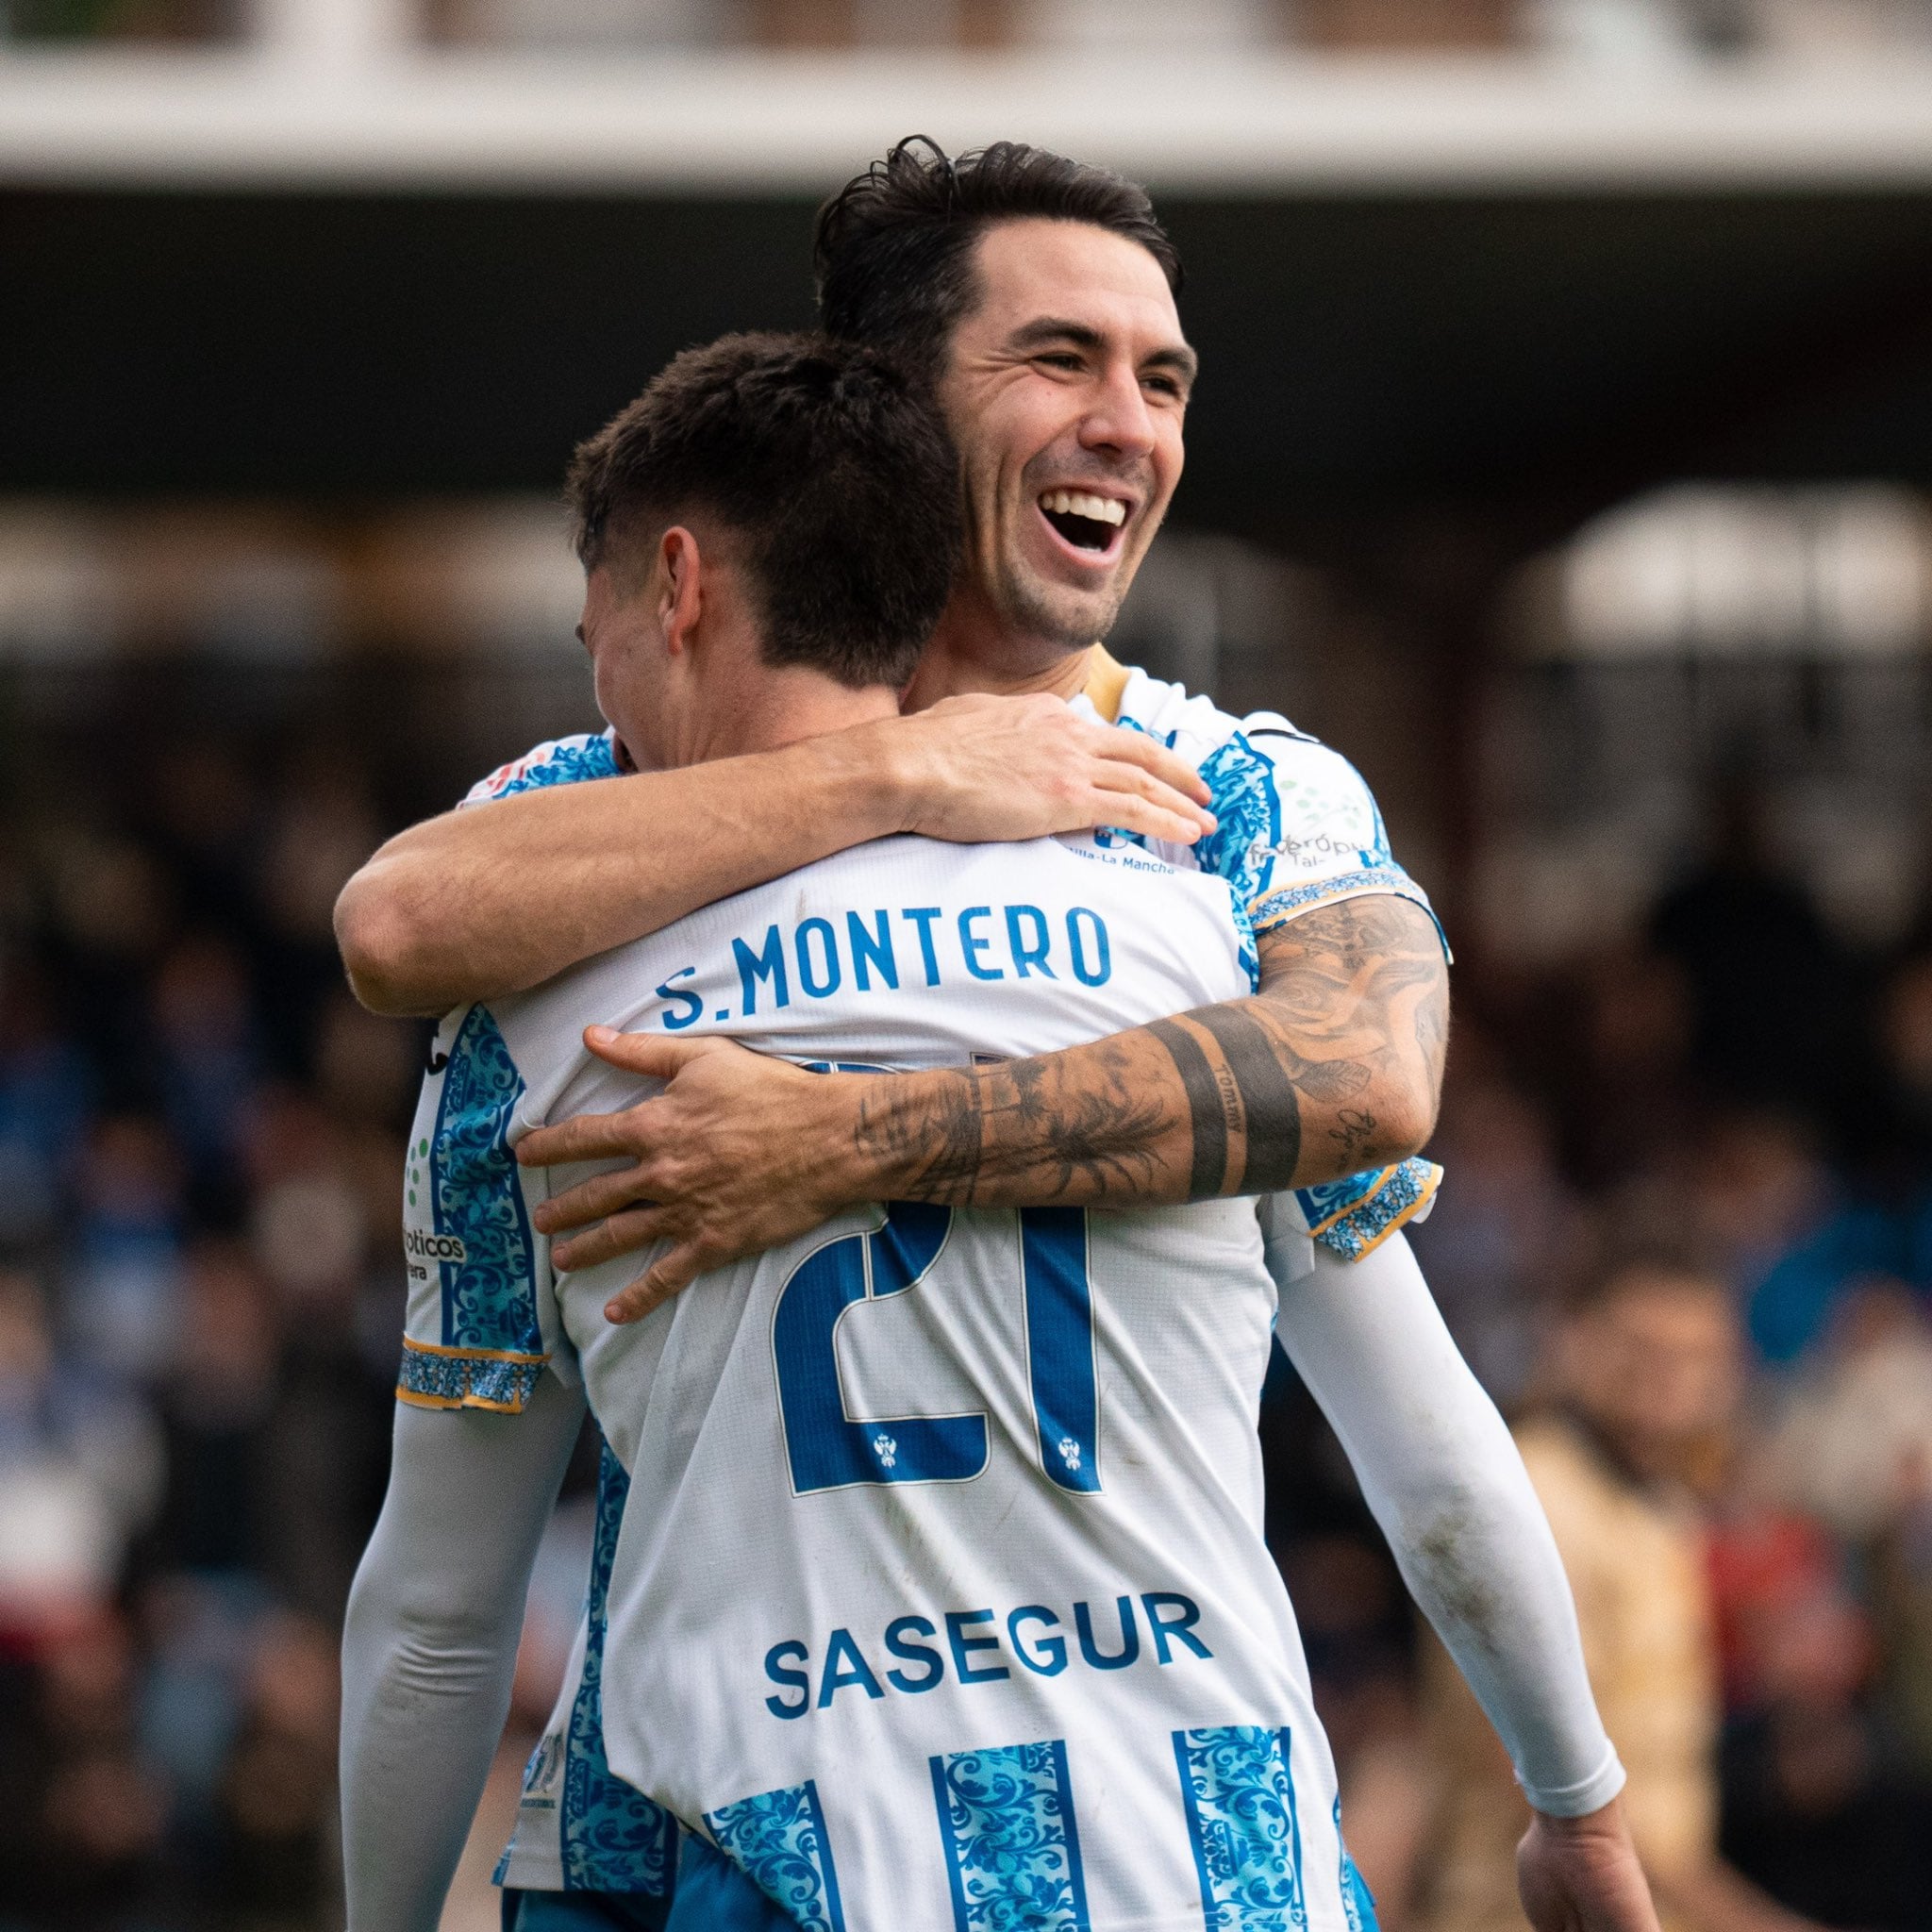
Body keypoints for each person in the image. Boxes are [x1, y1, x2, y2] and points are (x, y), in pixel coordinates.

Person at [338, 145, 1653, 1931]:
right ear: (886, 401)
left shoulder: (1230, 797)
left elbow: (1361, 1088)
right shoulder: (651, 817)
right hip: (1179, 1858)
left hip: (727, 1855)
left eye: (1164, 377)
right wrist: (894, 771)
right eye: (1061, 359)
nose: (1128, 421)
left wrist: (840, 1136)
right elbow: (393, 923)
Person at [1414, 1246, 1822, 1932]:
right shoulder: (1535, 1504)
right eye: (1640, 1348)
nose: (1668, 1380)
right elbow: (1549, 1784)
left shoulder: (1659, 1500)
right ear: (1570, 1335)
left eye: (1695, 1356)